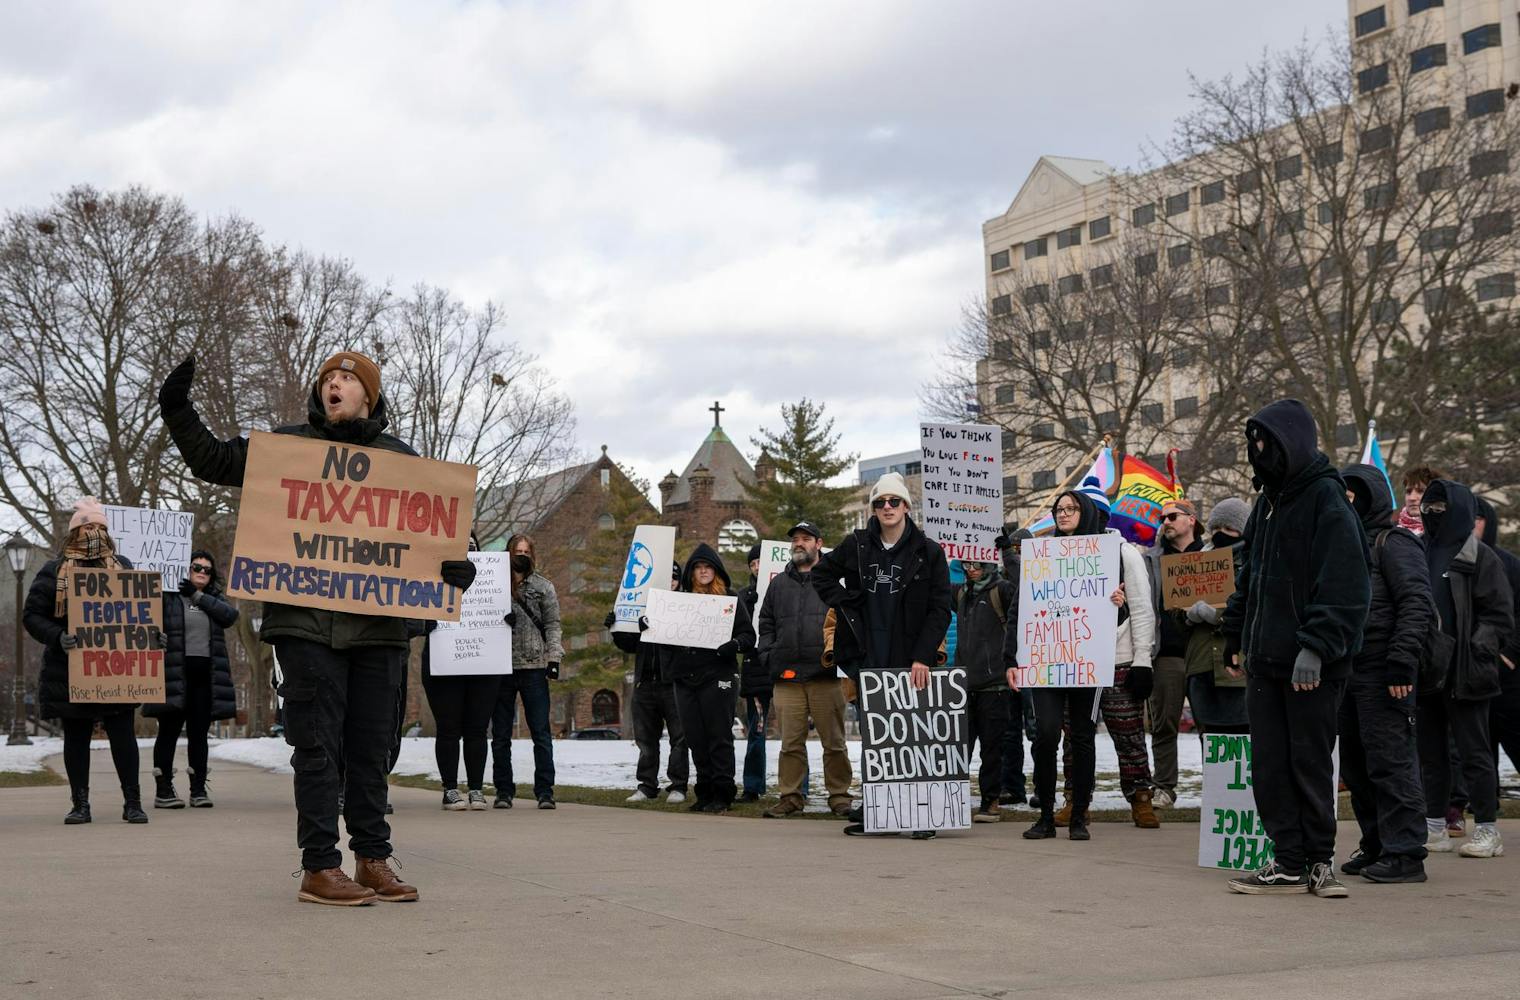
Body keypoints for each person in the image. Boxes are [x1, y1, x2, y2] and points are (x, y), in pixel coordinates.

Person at [159, 351, 478, 905]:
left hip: (380, 632)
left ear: (368, 396)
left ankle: (373, 859)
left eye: (347, 379)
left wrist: (454, 573)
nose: (335, 385)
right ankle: (320, 866)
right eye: (328, 378)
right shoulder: (286, 450)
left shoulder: (403, 463)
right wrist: (177, 409)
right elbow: (211, 459)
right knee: (316, 749)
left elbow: (433, 544)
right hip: (306, 629)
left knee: (372, 751)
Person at [1222, 399, 1371, 899]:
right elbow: (1249, 576)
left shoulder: (1327, 497)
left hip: (1311, 665)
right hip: (1265, 660)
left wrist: (1317, 646)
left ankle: (1319, 861)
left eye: (1265, 441)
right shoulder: (1267, 503)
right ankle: (1287, 859)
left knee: (1310, 762)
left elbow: (1347, 584)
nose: (1258, 451)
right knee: (1270, 765)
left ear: (1292, 441)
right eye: (1254, 443)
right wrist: (1234, 635)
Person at [813, 473, 953, 838]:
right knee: (876, 736)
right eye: (879, 503)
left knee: (914, 735)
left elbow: (941, 609)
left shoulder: (928, 551)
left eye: (894, 501)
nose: (887, 507)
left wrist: (923, 656)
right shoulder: (857, 545)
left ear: (906, 506)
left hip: (911, 658)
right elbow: (822, 574)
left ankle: (921, 813)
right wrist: (846, 601)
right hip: (868, 656)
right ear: (873, 510)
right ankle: (879, 808)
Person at [1024, 483, 1157, 840]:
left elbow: (1142, 609)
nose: (1065, 515)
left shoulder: (1123, 554)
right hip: (1066, 660)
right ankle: (1074, 802)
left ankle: (1140, 796)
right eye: (1060, 510)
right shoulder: (1049, 554)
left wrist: (1142, 659)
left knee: (1127, 733)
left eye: (1075, 509)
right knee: (1070, 737)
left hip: (1117, 659)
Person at [24, 498, 151, 826]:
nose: (94, 532)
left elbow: (141, 611)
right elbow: (32, 616)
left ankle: (133, 803)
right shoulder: (54, 570)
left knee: (123, 735)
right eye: (87, 526)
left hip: (115, 667)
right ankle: (80, 804)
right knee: (76, 738)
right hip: (70, 669)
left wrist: (152, 637)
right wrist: (58, 636)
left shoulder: (122, 566)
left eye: (99, 526)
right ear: (75, 532)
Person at [1336, 463, 1434, 883]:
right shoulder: (1343, 546)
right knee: (1357, 767)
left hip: (1385, 668)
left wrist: (1401, 663)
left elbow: (1416, 604)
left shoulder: (1394, 543)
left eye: (1353, 495)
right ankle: (1377, 843)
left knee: (1391, 761)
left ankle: (1406, 852)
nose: (1347, 502)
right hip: (1348, 670)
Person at [1416, 480, 1515, 859]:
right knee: (1431, 754)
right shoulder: (1419, 550)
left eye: (1441, 507)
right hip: (1428, 671)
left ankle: (1487, 829)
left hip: (1467, 672)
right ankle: (1435, 825)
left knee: (1475, 753)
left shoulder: (1480, 556)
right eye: (1429, 506)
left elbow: (1499, 615)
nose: (1433, 514)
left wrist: (1477, 649)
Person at [759, 522, 853, 819]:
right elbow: (766, 622)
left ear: (819, 543)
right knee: (790, 745)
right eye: (796, 539)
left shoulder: (835, 579)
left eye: (806, 539)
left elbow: (850, 617)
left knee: (834, 743)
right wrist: (768, 655)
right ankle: (790, 797)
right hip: (787, 677)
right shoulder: (778, 584)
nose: (799, 543)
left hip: (827, 676)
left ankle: (840, 797)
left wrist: (842, 657)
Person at [146, 549, 240, 809]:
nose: (201, 572)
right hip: (174, 674)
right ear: (185, 570)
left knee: (199, 733)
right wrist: (155, 637)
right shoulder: (169, 597)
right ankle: (164, 789)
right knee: (168, 731)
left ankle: (198, 789)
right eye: (196, 567)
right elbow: (148, 624)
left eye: (207, 570)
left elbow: (230, 617)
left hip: (205, 678)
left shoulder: (213, 599)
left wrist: (197, 595)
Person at [665, 543, 755, 813]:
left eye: (708, 567)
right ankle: (704, 792)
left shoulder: (729, 598)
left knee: (719, 736)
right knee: (695, 738)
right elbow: (664, 634)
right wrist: (649, 624)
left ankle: (723, 793)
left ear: (716, 571)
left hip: (718, 675)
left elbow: (748, 636)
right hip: (685, 677)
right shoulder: (680, 601)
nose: (703, 571)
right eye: (698, 567)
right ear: (691, 572)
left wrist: (734, 645)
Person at [421, 534, 502, 811]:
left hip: (484, 663)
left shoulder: (494, 577)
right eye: (462, 545)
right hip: (443, 662)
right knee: (448, 728)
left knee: (477, 729)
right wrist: (424, 621)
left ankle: (476, 788)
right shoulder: (430, 575)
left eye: (472, 545)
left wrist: (506, 621)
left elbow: (500, 606)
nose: (468, 550)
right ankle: (450, 789)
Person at [609, 561, 690, 804]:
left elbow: (688, 643)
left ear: (679, 581)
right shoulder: (642, 607)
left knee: (679, 739)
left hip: (673, 683)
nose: (670, 582)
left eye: (674, 578)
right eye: (667, 578)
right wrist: (617, 628)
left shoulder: (685, 607)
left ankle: (678, 785)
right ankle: (647, 785)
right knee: (645, 740)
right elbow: (629, 645)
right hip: (645, 683)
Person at [492, 535, 563, 809]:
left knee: (540, 733)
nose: (521, 555)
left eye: (525, 551)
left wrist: (554, 657)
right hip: (501, 665)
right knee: (500, 735)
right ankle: (503, 790)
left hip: (533, 666)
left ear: (532, 555)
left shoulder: (543, 586)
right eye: (516, 551)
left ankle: (545, 791)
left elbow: (553, 624)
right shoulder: (493, 584)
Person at [1143, 497, 1204, 810]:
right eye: (1162, 518)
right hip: (1167, 653)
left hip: (1205, 652)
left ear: (1191, 519)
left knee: (1211, 725)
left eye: (1171, 516)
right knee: (1164, 724)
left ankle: (1219, 787)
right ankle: (1164, 787)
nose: (1165, 522)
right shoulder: (1151, 559)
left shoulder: (1211, 555)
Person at [952, 559, 1018, 823]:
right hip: (964, 684)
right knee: (959, 747)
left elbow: (1024, 589)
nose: (971, 569)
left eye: (977, 564)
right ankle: (952, 801)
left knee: (991, 749)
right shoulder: (961, 593)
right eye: (966, 564)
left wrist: (1008, 554)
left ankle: (990, 801)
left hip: (995, 685)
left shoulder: (1002, 589)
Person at [1182, 499, 1250, 737]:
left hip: (1237, 667)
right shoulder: (1194, 562)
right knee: (1209, 740)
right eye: (1216, 528)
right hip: (1201, 666)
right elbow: (1174, 612)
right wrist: (1187, 616)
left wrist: (1219, 616)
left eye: (1229, 528)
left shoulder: (1252, 562)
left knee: (1242, 739)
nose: (1221, 534)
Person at [1475, 498, 1520, 798]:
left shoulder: (1509, 564)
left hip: (1509, 674)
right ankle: (1485, 805)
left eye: (1478, 518)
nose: (1472, 525)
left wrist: (1510, 655)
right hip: (1475, 670)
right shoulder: (1458, 563)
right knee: (1480, 746)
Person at [994, 527, 1033, 807]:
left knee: (1037, 730)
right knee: (1009, 731)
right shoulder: (999, 583)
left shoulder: (1034, 576)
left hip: (1033, 662)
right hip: (1008, 663)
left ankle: (1043, 787)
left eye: (1021, 550)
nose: (1017, 555)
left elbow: (1025, 581)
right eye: (1014, 550)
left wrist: (1008, 554)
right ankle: (1012, 786)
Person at [737, 542, 771, 803]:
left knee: (795, 734)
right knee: (757, 731)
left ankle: (799, 789)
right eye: (753, 563)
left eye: (761, 561)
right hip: (755, 670)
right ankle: (752, 786)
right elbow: (739, 633)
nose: (757, 567)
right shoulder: (743, 596)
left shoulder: (787, 588)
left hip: (786, 667)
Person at [1398, 465, 1445, 537]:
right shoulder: (1392, 532)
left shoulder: (1447, 532)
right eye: (1408, 491)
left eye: (1420, 491)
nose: (1412, 498)